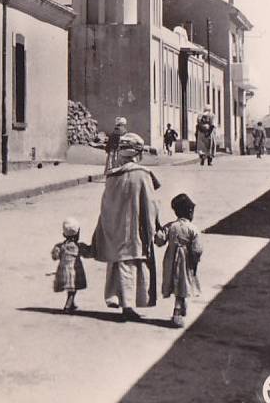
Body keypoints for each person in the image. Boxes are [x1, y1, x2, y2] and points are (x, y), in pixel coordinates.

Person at [83, 132, 160, 321]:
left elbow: (105, 205)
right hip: (134, 229)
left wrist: (105, 229)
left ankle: (114, 297)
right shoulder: (142, 175)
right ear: (138, 154)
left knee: (117, 262)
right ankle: (127, 306)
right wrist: (153, 229)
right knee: (130, 265)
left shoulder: (112, 176)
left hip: (114, 228)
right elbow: (151, 206)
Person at [155, 192, 203, 328]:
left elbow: (159, 240)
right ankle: (177, 312)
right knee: (183, 284)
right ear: (189, 211)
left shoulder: (170, 226)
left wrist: (158, 227)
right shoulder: (193, 229)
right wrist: (195, 260)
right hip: (186, 261)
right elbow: (197, 249)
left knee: (176, 283)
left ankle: (181, 308)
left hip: (171, 260)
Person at [51, 217, 87, 314]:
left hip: (63, 271)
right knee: (73, 289)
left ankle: (72, 304)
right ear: (78, 233)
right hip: (75, 271)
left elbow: (54, 256)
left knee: (70, 288)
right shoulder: (79, 246)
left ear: (63, 234)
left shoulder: (60, 246)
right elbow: (89, 253)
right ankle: (68, 305)